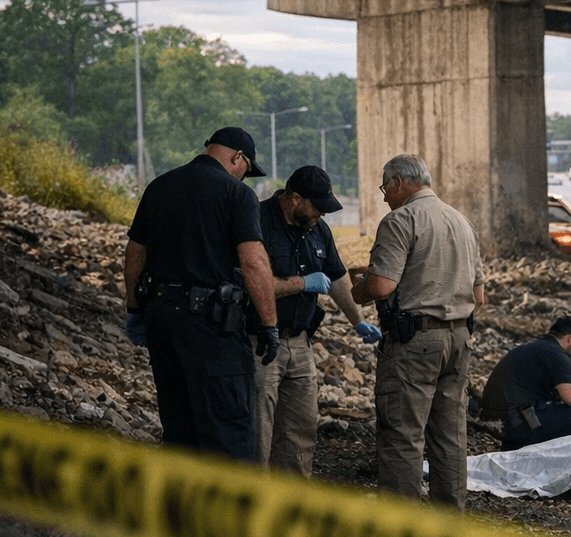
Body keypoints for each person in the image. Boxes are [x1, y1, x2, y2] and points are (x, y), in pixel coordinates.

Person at [123, 127, 281, 459]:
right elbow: (253, 262)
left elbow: (136, 253)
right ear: (238, 158)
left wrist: (135, 309)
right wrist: (269, 323)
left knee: (179, 428)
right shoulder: (236, 195)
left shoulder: (159, 186)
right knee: (228, 431)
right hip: (212, 326)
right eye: (246, 170)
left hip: (162, 322)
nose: (244, 178)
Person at [351, 155, 484, 508]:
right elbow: (479, 295)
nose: (384, 197)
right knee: (450, 437)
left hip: (415, 342)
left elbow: (380, 286)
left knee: (402, 435)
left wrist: (358, 287)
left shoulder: (401, 220)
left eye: (384, 188)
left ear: (397, 183)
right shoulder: (461, 221)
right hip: (459, 339)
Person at [253, 165, 382, 475]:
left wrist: (357, 321)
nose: (322, 215)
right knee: (258, 429)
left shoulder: (318, 229)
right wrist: (302, 283)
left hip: (300, 343)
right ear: (294, 199)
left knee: (300, 428)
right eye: (317, 207)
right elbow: (253, 281)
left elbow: (337, 279)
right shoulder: (257, 221)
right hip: (259, 343)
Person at [490, 315, 571, 449]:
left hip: (497, 417)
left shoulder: (537, 348)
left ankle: (514, 445)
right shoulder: (557, 354)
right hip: (517, 423)